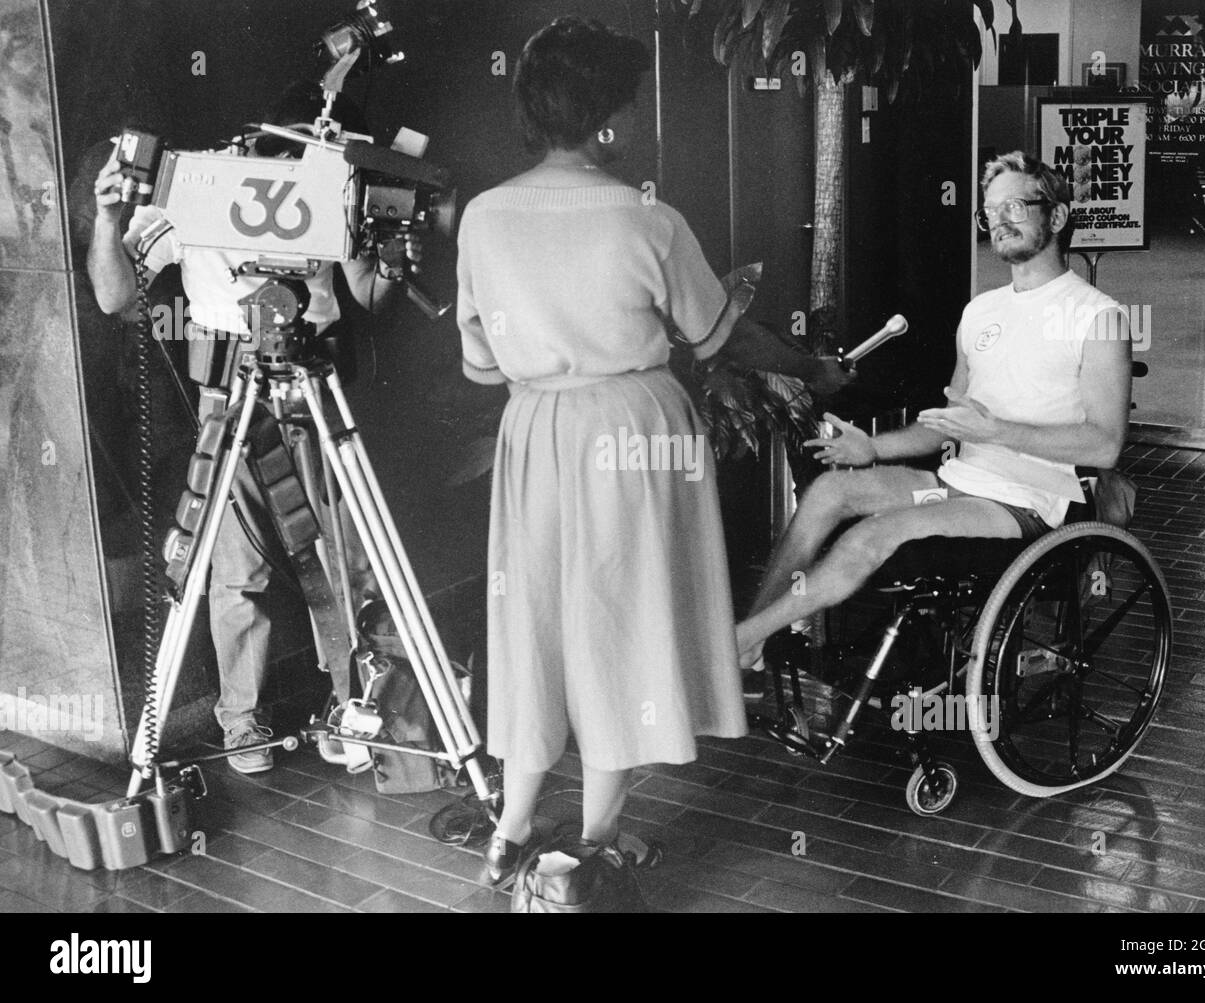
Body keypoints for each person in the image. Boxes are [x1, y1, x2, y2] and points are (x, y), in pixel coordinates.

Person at [457, 17, 850, 881]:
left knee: (540, 630)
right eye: (627, 104)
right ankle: (588, 850)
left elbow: (479, 361)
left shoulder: (484, 218)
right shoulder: (648, 219)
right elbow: (723, 341)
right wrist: (812, 369)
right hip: (633, 434)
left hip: (535, 436)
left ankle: (509, 832)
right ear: (608, 117)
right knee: (620, 627)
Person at [87, 81, 420, 773]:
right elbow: (117, 295)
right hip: (231, 392)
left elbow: (368, 296)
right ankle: (240, 719)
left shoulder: (338, 185)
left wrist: (392, 255)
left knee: (350, 557)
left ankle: (357, 704)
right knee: (236, 570)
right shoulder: (199, 185)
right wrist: (107, 214)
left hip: (314, 384)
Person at [735, 151, 1132, 668]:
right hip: (959, 482)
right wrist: (871, 447)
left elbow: (1104, 444)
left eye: (1017, 205)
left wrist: (999, 430)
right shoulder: (981, 310)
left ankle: (737, 640)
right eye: (990, 211)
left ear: (1055, 217)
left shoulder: (1098, 317)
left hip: (1029, 502)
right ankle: (753, 647)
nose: (1000, 220)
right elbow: (947, 423)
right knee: (830, 489)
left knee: (875, 533)